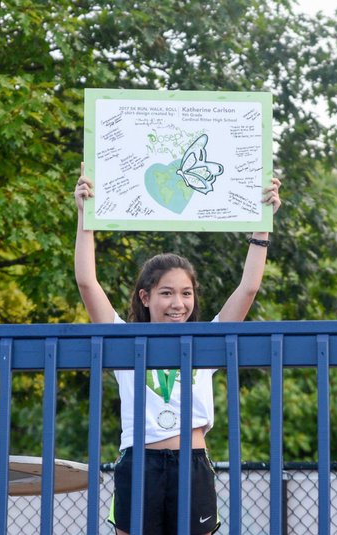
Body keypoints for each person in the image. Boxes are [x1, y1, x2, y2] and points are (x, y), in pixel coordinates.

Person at [74, 162, 281, 535]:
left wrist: (262, 220)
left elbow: (248, 288)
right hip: (139, 463)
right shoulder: (125, 340)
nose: (178, 303)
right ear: (146, 297)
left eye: (186, 294)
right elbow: (87, 283)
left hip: (192, 462)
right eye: (166, 293)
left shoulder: (206, 342)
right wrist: (84, 214)